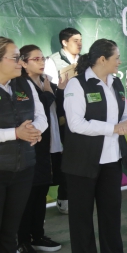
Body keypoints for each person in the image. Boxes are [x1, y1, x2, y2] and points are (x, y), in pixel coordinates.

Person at [62, 39, 127, 253]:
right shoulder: (77, 84)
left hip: (112, 160)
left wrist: (126, 122)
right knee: (81, 220)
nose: (119, 62)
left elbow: (124, 112)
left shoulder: (116, 82)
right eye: (116, 58)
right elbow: (75, 124)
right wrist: (112, 128)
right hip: (82, 163)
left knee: (111, 216)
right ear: (102, 59)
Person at [0, 37, 48, 253]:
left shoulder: (24, 84)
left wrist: (34, 131)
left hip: (22, 171)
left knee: (9, 233)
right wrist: (15, 133)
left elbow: (41, 116)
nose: (20, 62)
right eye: (14, 58)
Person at [16, 46, 64, 253]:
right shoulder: (20, 85)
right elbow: (32, 112)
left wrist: (59, 89)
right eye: (35, 59)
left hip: (50, 145)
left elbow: (59, 110)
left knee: (41, 193)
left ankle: (38, 235)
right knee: (27, 196)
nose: (41, 62)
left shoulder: (46, 82)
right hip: (32, 145)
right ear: (23, 63)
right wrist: (47, 93)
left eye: (42, 58)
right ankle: (22, 240)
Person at [45, 27, 82, 215]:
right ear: (64, 42)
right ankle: (64, 198)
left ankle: (79, 196)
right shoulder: (52, 61)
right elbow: (50, 91)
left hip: (83, 116)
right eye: (75, 40)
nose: (79, 44)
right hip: (62, 119)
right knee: (66, 160)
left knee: (81, 158)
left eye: (81, 40)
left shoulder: (84, 61)